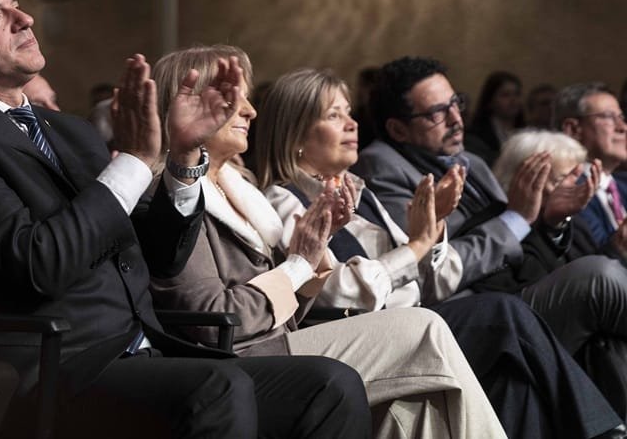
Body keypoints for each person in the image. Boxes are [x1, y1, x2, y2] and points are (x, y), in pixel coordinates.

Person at [0, 0, 371, 439]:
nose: (26, 19)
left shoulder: (69, 130)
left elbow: (158, 255)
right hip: (56, 369)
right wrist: (137, 160)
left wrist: (183, 158)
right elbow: (38, 263)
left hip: (147, 347)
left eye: (16, 6)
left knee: (329, 384)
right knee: (217, 388)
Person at [150, 46, 506, 439]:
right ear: (185, 107)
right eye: (233, 100)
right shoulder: (173, 201)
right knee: (429, 328)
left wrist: (316, 251)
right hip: (244, 362)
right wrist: (300, 265)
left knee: (413, 409)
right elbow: (216, 320)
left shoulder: (244, 191)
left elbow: (292, 309)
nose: (250, 111)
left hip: (285, 342)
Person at [258, 67, 625, 438]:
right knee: (505, 311)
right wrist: (416, 246)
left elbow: (427, 279)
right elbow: (336, 293)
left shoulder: (360, 193)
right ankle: (605, 431)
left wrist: (434, 231)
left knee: (513, 380)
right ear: (296, 133)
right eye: (334, 115)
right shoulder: (284, 201)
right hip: (374, 340)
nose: (352, 124)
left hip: (416, 320)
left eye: (349, 113)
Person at [354, 56, 627, 426]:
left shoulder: (471, 161)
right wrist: (517, 219)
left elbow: (517, 246)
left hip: (512, 291)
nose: (456, 119)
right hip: (467, 313)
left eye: (456, 103)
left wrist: (550, 221)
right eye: (436, 113)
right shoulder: (382, 167)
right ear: (398, 129)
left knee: (602, 341)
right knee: (599, 278)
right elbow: (429, 263)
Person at [554, 83, 627, 252]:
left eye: (622, 117)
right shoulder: (566, 192)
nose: (623, 127)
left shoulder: (623, 185)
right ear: (573, 129)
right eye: (609, 116)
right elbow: (589, 261)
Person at [465, 71, 525, 166]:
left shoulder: (526, 131)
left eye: (517, 94)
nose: (513, 100)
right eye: (505, 95)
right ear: (490, 101)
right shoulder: (476, 136)